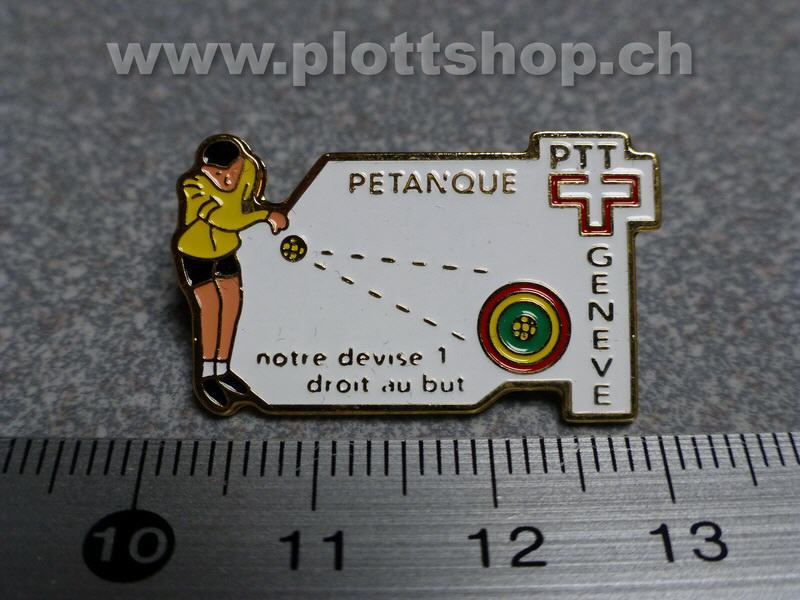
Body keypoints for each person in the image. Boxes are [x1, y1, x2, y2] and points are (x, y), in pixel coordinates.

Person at [173, 134, 288, 408]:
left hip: (226, 251)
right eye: (218, 174)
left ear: (239, 164)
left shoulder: (248, 170)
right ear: (205, 170)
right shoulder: (193, 186)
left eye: (232, 172)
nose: (227, 180)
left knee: (232, 304)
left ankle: (223, 369)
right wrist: (266, 215)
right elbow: (224, 219)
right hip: (196, 255)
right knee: (210, 308)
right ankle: (206, 375)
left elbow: (248, 202)